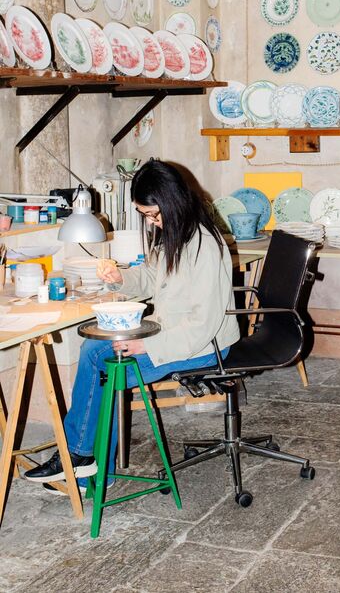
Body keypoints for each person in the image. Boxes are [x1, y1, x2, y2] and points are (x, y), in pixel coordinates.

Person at [25, 159, 239, 491]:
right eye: (146, 216)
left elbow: (203, 325)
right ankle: (87, 463)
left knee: (108, 366)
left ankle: (81, 459)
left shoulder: (203, 246)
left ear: (173, 201)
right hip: (175, 333)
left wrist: (147, 345)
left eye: (154, 214)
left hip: (204, 346)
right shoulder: (176, 233)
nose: (152, 222)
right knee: (96, 350)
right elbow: (154, 277)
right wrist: (121, 277)